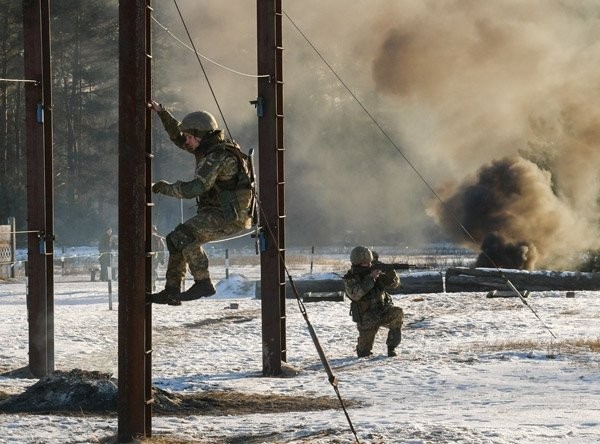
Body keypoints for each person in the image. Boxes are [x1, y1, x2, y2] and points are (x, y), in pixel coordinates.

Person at [148, 100, 254, 306]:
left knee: (183, 235)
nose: (186, 141)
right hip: (220, 211)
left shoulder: (218, 156)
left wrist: (161, 187)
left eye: (190, 137)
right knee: (174, 239)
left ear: (200, 135)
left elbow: (194, 189)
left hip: (229, 215)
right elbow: (180, 138)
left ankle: (203, 282)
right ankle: (171, 290)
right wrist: (161, 112)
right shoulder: (207, 147)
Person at [343, 246, 404, 357]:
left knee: (397, 313)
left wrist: (390, 271)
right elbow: (355, 295)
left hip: (382, 311)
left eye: (370, 262)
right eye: (365, 263)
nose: (369, 265)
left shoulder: (375, 271)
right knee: (363, 354)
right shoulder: (350, 278)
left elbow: (395, 284)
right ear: (357, 263)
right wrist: (371, 278)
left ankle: (391, 348)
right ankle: (362, 347)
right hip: (367, 319)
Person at [151, 225, 167, 292]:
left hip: (155, 258)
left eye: (153, 230)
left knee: (152, 271)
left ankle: (152, 283)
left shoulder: (158, 239)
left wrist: (162, 259)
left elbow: (162, 249)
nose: (152, 232)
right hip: (145, 258)